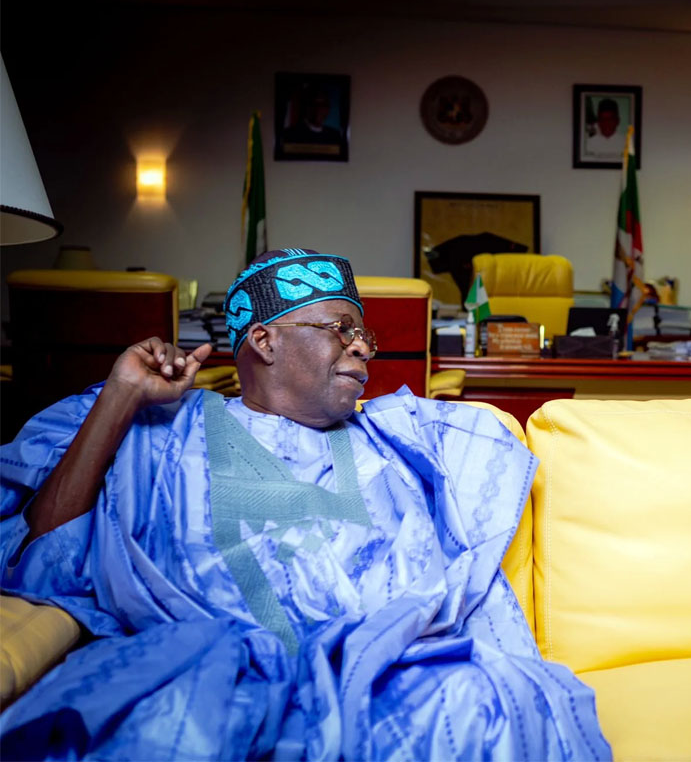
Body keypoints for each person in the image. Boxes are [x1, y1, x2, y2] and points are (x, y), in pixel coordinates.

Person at [0, 249, 611, 760]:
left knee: (487, 702)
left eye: (364, 334)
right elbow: (43, 555)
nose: (365, 349)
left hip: (389, 673)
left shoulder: (401, 439)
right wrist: (123, 394)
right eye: (341, 329)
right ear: (264, 339)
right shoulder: (166, 429)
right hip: (208, 664)